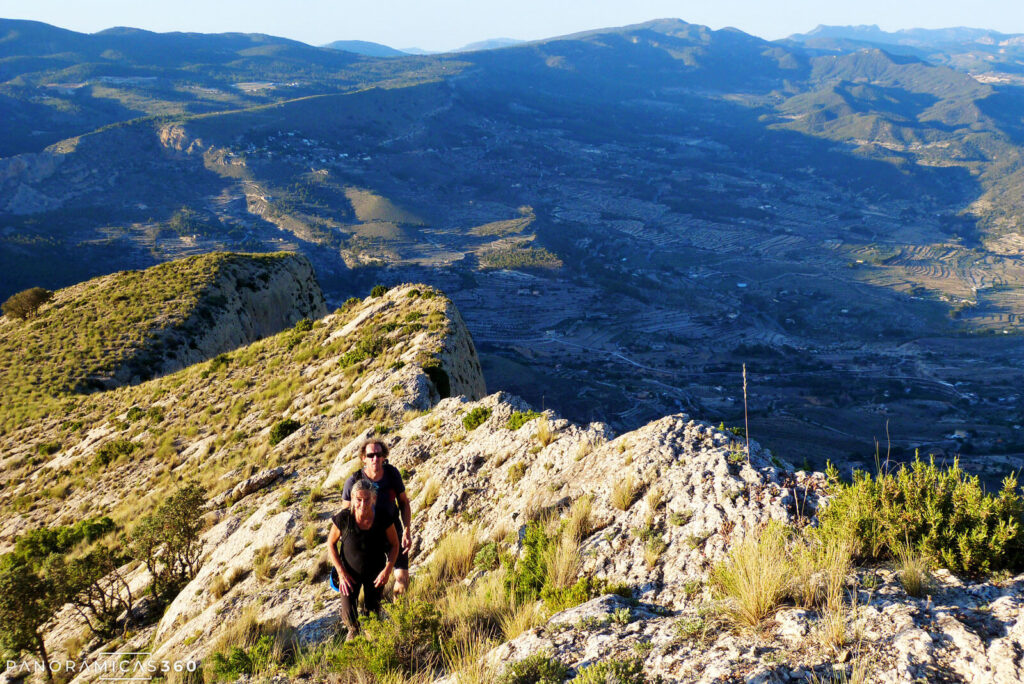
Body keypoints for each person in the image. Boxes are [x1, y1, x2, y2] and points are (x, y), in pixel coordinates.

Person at [327, 479, 399, 640]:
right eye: (358, 499)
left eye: (367, 499)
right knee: (349, 619)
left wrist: (387, 570)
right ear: (352, 498)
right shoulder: (343, 518)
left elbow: (395, 545)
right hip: (348, 575)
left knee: (372, 617)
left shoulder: (383, 518)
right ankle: (353, 647)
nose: (362, 503)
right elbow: (330, 544)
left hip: (376, 575)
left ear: (373, 499)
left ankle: (373, 649)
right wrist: (341, 573)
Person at [340, 439, 413, 593]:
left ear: (384, 456)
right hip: (368, 537)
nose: (375, 459)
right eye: (371, 455)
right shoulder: (354, 481)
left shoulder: (392, 474)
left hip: (393, 531)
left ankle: (399, 614)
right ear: (363, 458)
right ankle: (370, 615)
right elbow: (345, 517)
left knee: (402, 578)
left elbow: (404, 503)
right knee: (372, 585)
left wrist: (407, 529)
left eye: (379, 454)